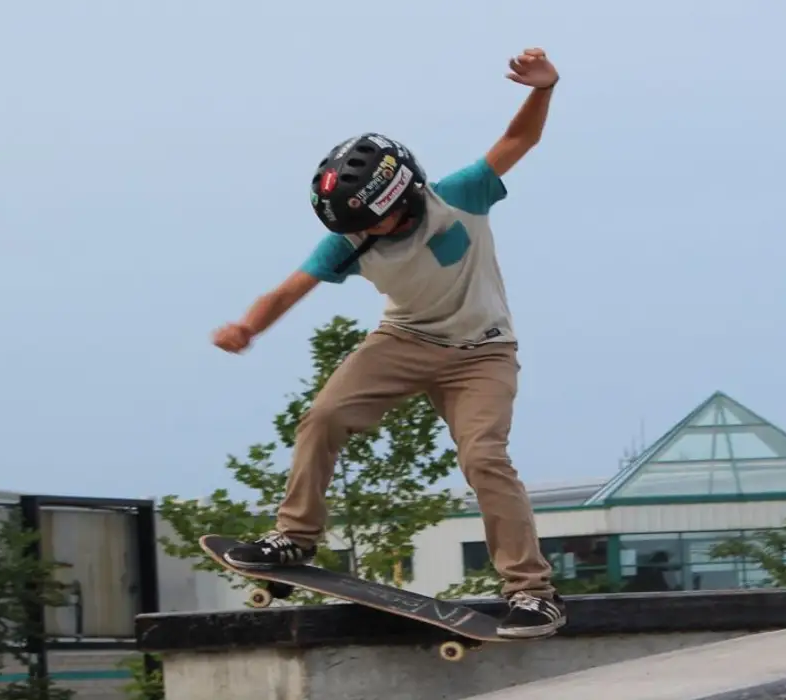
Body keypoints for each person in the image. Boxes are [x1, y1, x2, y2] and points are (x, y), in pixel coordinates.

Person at [208, 47, 566, 639]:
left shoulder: (460, 195)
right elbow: (289, 289)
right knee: (323, 416)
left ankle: (533, 594)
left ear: (398, 204)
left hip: (484, 353)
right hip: (403, 340)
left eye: (362, 223)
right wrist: (248, 327)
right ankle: (293, 539)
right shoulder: (349, 242)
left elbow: (519, 141)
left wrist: (543, 89)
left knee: (484, 458)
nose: (353, 236)